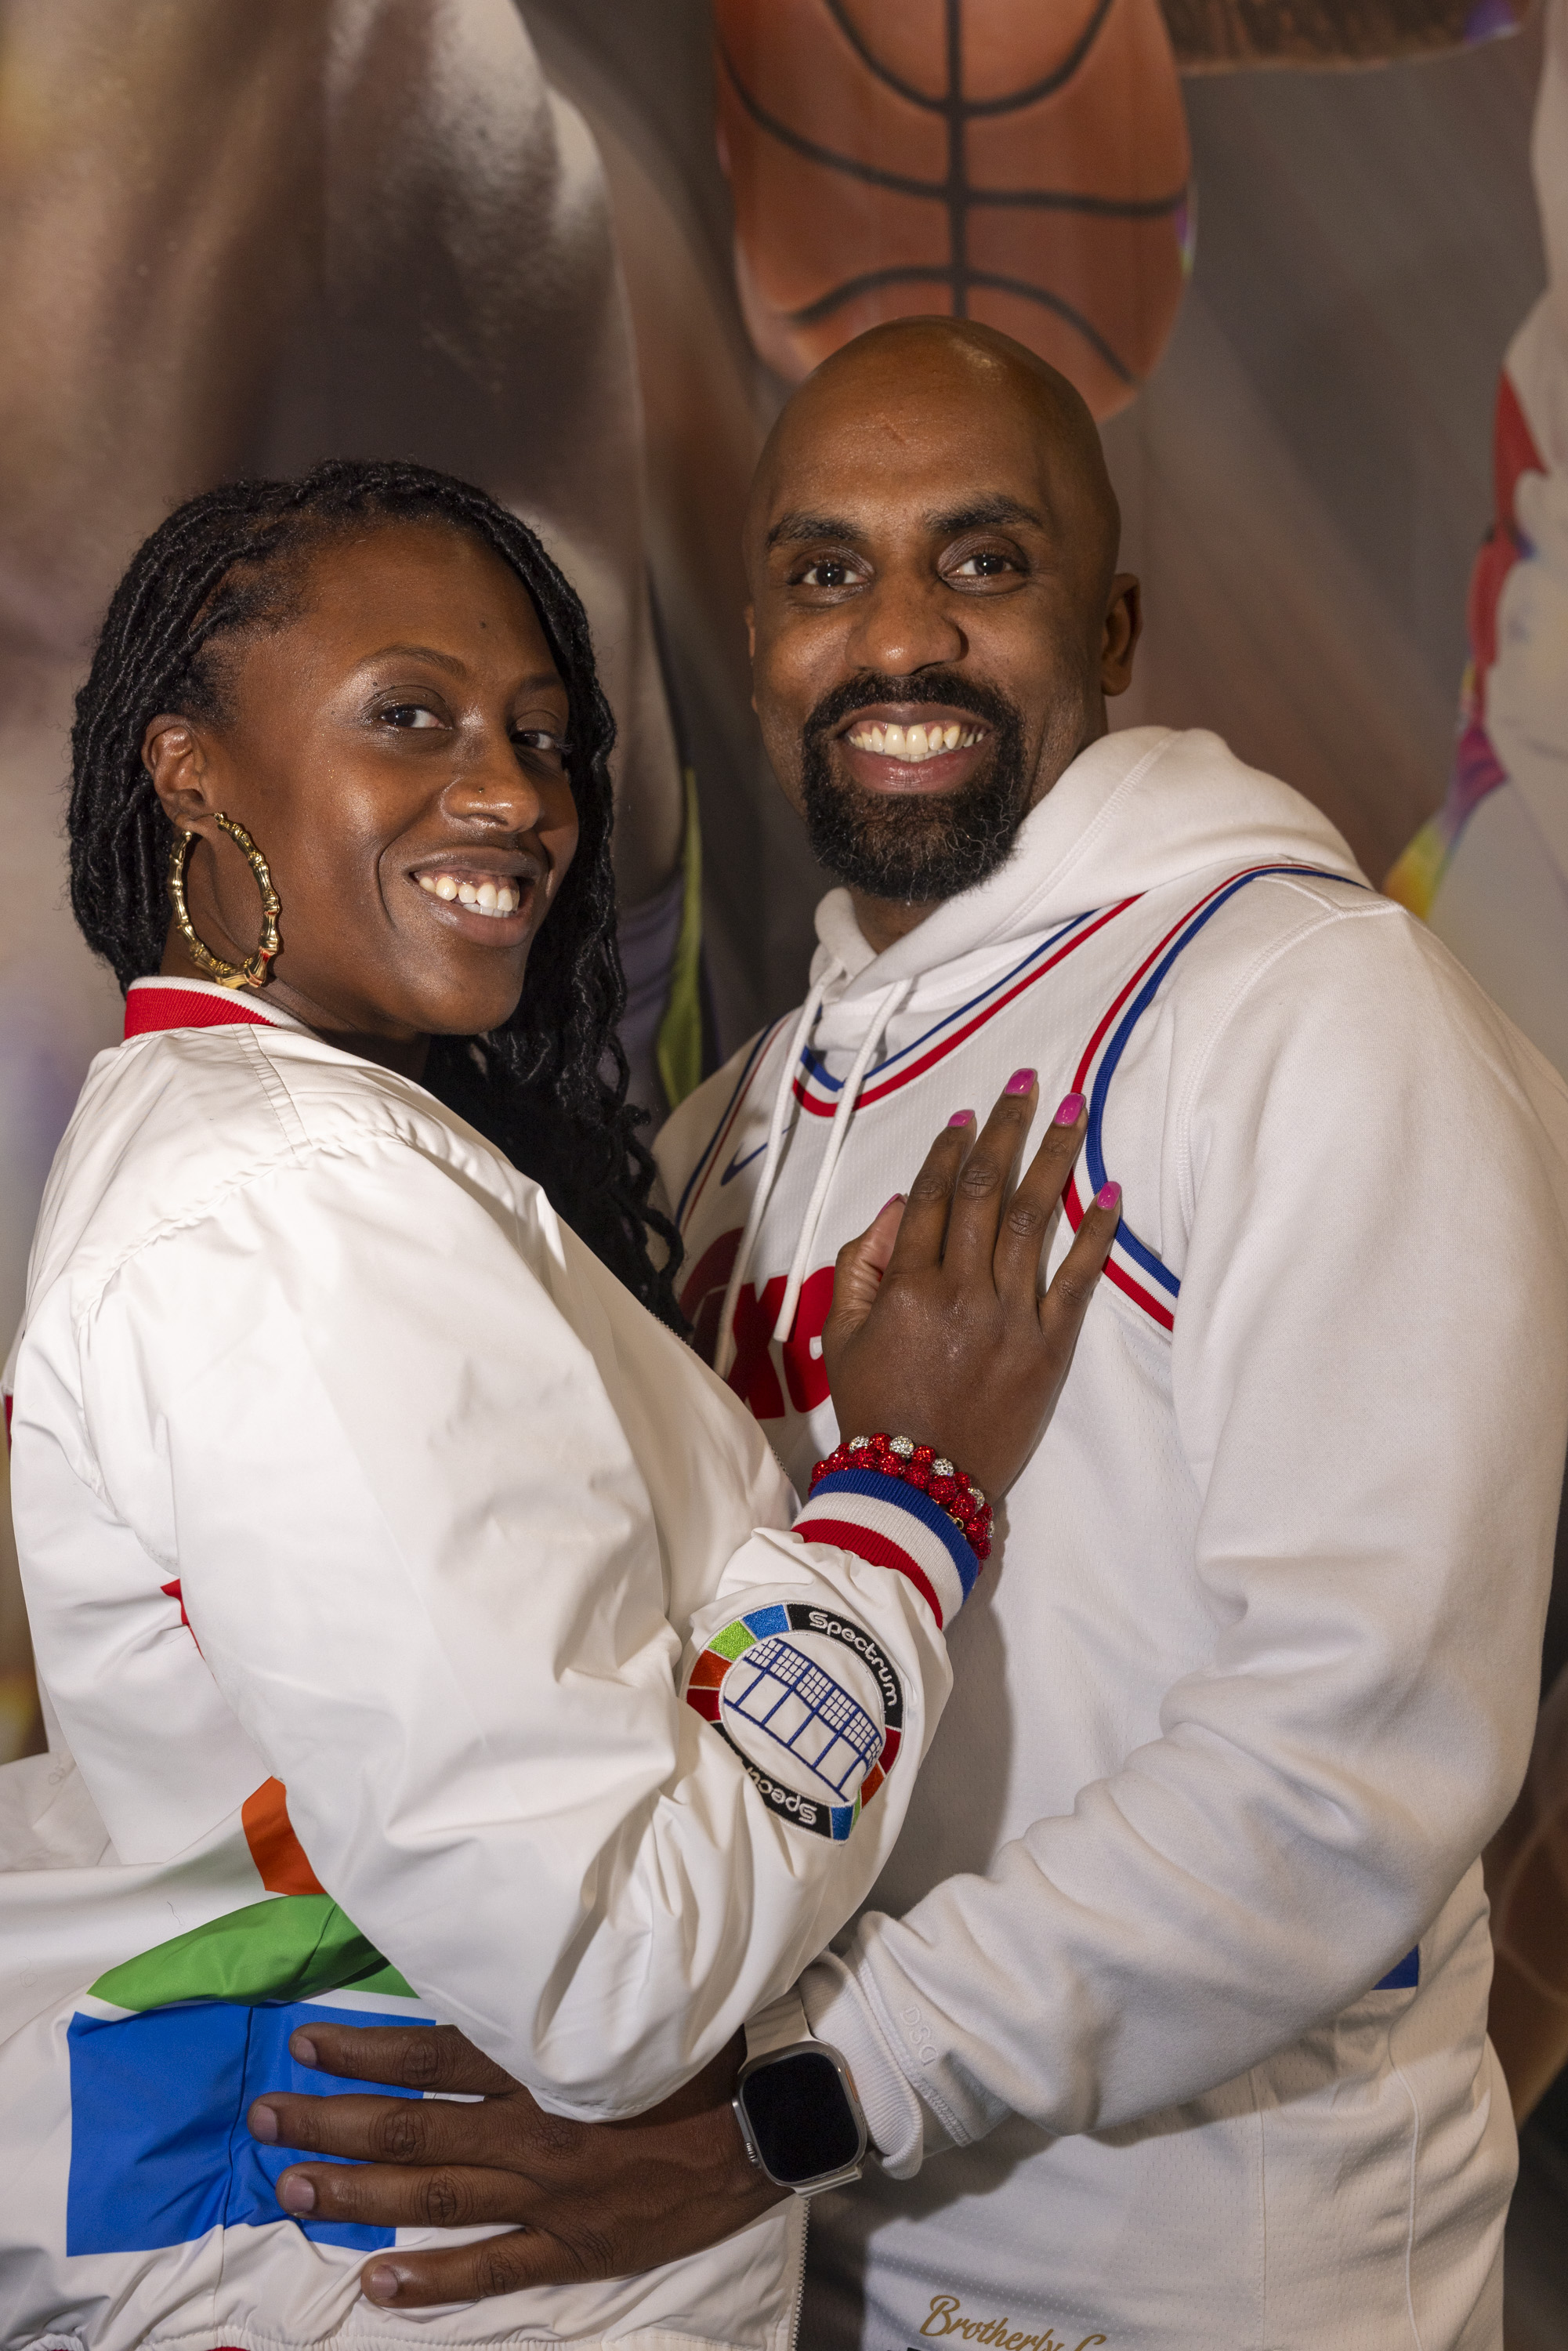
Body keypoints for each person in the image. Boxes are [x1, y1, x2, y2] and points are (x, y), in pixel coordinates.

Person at [266, 325, 1568, 2351]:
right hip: (788, 2245)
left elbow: (1347, 1763)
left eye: (982, 564)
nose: (896, 639)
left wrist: (810, 2088)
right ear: (759, 632)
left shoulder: (1317, 1018)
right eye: (820, 571)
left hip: (1192, 2272)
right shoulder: (737, 1134)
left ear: (1112, 618)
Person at [0, 455, 1122, 2351]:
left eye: (538, 735)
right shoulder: (294, 1215)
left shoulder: (275, 1155)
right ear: (190, 769)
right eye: (409, 717)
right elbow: (609, 1968)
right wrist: (903, 1499)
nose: (513, 796)